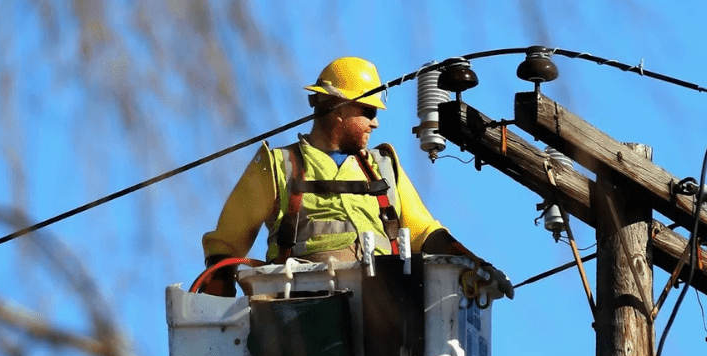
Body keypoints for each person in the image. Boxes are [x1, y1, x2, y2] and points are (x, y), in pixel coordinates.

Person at [200, 56, 512, 300]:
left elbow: (425, 234)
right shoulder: (277, 165)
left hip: (385, 307)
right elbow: (226, 243)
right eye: (369, 112)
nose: (375, 124)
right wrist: (217, 318)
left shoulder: (383, 167)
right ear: (339, 109)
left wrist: (475, 265)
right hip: (299, 309)